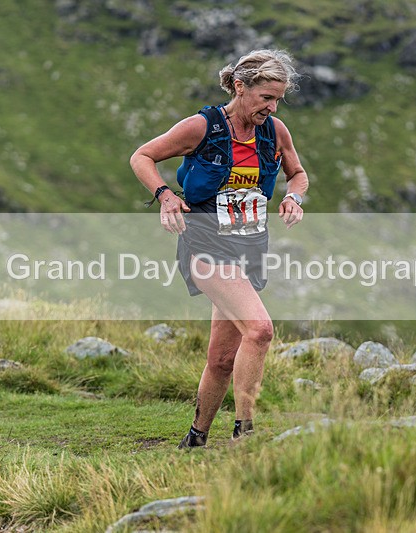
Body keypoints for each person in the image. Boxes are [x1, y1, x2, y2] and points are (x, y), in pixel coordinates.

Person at [130, 49, 309, 448]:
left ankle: (196, 438)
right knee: (260, 330)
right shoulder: (202, 127)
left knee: (222, 359)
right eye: (266, 97)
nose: (272, 106)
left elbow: (297, 174)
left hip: (249, 249)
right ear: (240, 87)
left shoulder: (275, 132)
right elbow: (142, 156)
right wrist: (164, 196)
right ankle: (244, 434)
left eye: (278, 98)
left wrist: (294, 198)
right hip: (205, 245)